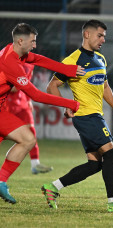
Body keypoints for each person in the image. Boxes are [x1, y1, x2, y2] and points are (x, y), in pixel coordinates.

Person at [42, 19, 113, 213]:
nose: (103, 39)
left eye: (104, 36)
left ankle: (52, 188)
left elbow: (104, 85)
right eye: (100, 35)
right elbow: (52, 85)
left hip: (96, 115)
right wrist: (66, 104)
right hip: (85, 115)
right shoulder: (72, 60)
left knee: (95, 165)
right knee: (111, 154)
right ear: (87, 34)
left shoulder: (101, 59)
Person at [0, 23, 85, 204]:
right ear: (21, 40)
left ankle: (1, 181)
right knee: (27, 138)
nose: (35, 45)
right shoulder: (10, 62)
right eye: (33, 41)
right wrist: (71, 103)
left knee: (28, 139)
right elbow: (36, 95)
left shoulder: (13, 51)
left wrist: (67, 70)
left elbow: (39, 59)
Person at [5, 63, 53, 174]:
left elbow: (27, 83)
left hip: (23, 104)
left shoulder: (30, 64)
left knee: (31, 134)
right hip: (7, 104)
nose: (34, 45)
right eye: (32, 43)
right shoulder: (9, 59)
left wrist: (28, 99)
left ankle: (35, 164)